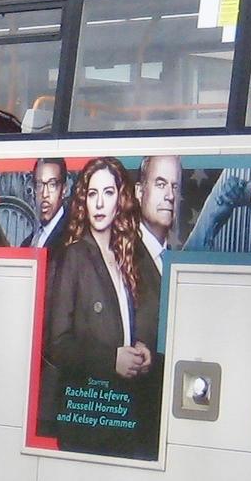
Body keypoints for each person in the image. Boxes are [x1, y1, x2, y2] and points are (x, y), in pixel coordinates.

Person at [38, 156, 160, 453]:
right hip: (87, 417)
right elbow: (56, 343)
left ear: (121, 199)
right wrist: (111, 360)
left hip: (124, 413)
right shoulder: (73, 256)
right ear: (84, 201)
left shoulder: (129, 256)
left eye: (108, 193)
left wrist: (143, 350)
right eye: (92, 194)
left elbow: (138, 321)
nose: (100, 204)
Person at [135, 154, 183, 263]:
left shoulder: (175, 259)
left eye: (175, 187)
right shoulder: (121, 252)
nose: (170, 196)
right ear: (139, 192)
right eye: (161, 185)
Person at [31, 157, 69, 249]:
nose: (45, 194)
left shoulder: (71, 239)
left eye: (52, 185)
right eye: (39, 185)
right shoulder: (28, 242)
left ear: (64, 189)